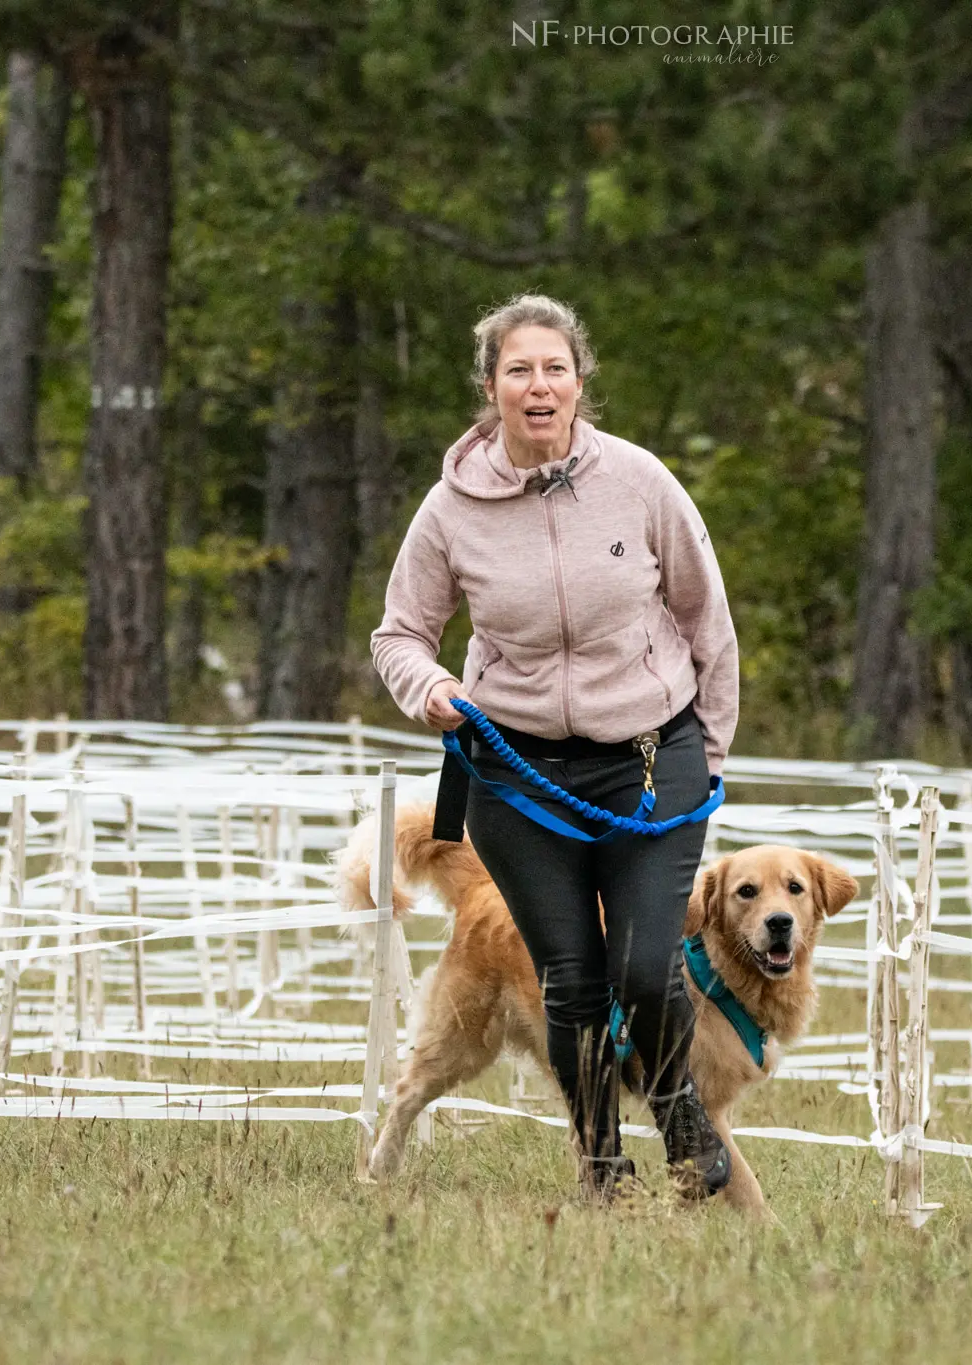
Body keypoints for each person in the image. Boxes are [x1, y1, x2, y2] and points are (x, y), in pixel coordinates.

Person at [370, 294, 739, 1201]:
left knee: (646, 968)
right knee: (570, 980)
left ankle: (682, 1115)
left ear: (580, 382)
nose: (539, 387)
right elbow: (398, 634)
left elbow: (708, 621)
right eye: (519, 370)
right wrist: (432, 687)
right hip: (519, 772)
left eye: (555, 369)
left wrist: (712, 754)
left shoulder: (642, 481)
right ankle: (602, 1168)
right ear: (491, 387)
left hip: (650, 763)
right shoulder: (450, 507)